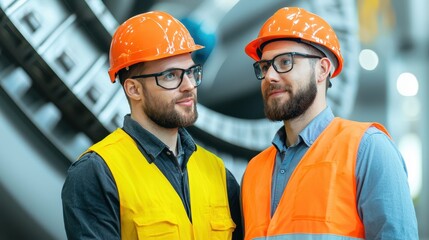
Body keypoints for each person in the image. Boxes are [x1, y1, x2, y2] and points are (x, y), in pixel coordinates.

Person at [61, 11, 242, 240]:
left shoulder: (217, 172)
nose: (188, 85)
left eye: (191, 72)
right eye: (170, 76)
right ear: (134, 89)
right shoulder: (97, 173)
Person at [241, 7, 418, 240]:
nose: (271, 76)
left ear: (322, 70)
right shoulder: (253, 172)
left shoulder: (368, 149)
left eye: (285, 62)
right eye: (265, 67)